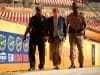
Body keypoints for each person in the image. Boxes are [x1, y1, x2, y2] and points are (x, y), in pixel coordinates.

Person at [23, 6, 48, 71]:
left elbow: (47, 29)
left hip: (41, 37)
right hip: (33, 36)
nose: (38, 11)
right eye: (37, 10)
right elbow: (29, 27)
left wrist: (46, 36)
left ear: (41, 11)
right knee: (31, 52)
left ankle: (41, 66)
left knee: (42, 52)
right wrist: (25, 35)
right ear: (36, 11)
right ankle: (32, 66)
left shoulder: (45, 19)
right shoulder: (32, 18)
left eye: (39, 10)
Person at [66, 2, 86, 68]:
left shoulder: (81, 16)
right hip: (72, 35)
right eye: (73, 8)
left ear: (78, 8)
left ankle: (81, 64)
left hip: (79, 35)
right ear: (72, 8)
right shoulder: (70, 16)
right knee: (72, 49)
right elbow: (66, 24)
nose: (75, 9)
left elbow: (85, 25)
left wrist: (83, 31)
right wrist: (67, 31)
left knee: (81, 50)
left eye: (76, 8)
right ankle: (72, 64)